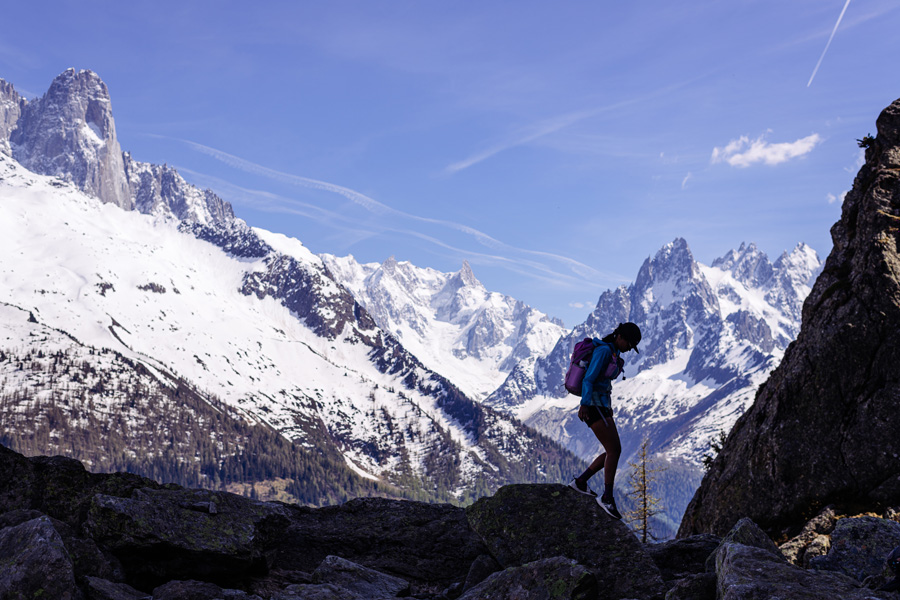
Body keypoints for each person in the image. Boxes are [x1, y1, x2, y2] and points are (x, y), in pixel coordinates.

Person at [567, 322, 642, 519]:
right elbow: (589, 379)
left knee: (613, 450)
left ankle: (581, 482)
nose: (628, 348)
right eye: (629, 343)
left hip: (600, 406)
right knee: (614, 450)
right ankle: (607, 497)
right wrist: (584, 404)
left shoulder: (613, 352)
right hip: (593, 406)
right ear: (620, 337)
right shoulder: (603, 351)